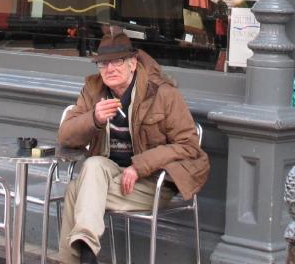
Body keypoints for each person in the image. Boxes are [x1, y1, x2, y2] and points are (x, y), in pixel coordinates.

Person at [57, 32, 209, 264]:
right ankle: (86, 253)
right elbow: (66, 137)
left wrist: (140, 166)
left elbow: (188, 146)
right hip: (106, 177)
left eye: (117, 62)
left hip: (153, 182)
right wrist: (94, 119)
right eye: (104, 63)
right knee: (94, 164)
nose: (110, 69)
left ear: (133, 64)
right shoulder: (93, 89)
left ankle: (81, 258)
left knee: (75, 193)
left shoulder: (162, 93)